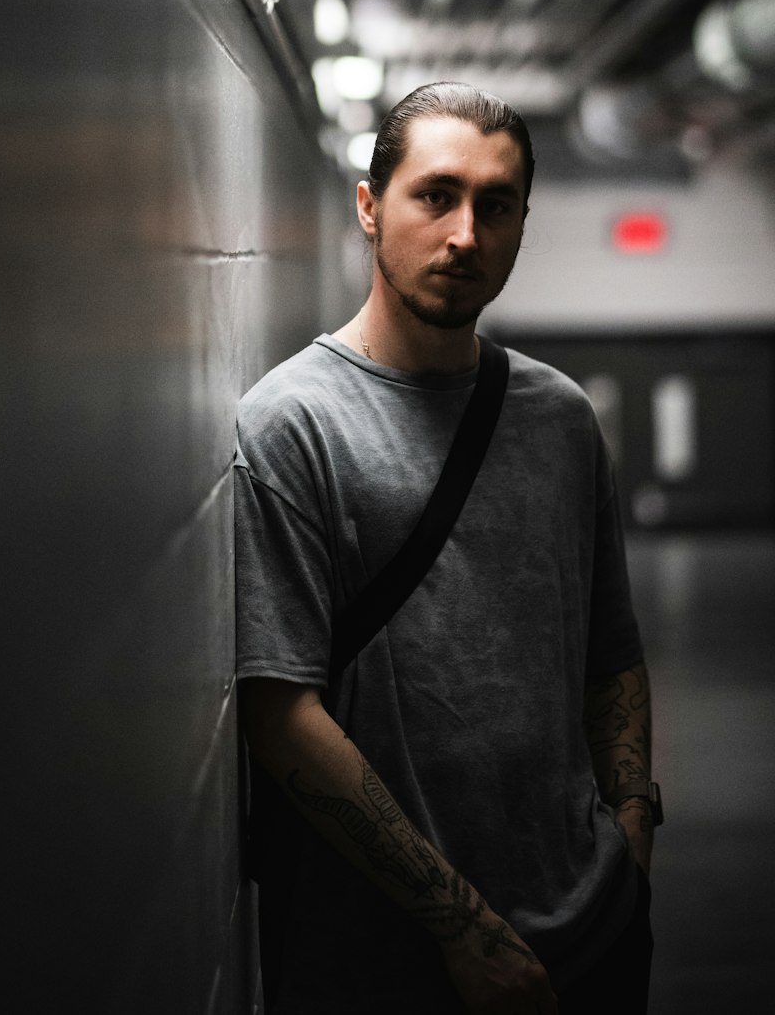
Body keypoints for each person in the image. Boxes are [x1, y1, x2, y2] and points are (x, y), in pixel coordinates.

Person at [233, 82, 657, 1014]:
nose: (466, 233)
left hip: (591, 928)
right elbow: (279, 709)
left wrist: (632, 836)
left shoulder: (563, 419)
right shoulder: (291, 425)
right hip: (379, 958)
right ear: (370, 206)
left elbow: (611, 652)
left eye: (496, 205)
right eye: (437, 195)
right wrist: (462, 926)